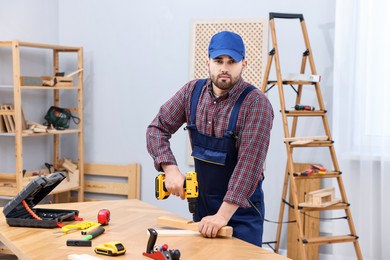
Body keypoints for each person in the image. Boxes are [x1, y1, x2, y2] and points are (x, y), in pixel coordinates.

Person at [146, 30, 274, 246]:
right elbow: (157, 128)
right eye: (218, 60)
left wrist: (222, 217)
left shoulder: (256, 104)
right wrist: (170, 169)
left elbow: (249, 167)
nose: (224, 68)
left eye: (232, 61)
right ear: (208, 61)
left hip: (240, 215)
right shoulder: (191, 92)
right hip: (204, 212)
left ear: (244, 64)